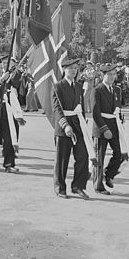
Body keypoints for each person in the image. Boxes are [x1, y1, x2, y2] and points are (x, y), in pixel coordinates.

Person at [52, 58, 91, 200]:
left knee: (82, 156)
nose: (73, 71)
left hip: (78, 124)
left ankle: (78, 186)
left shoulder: (79, 86)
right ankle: (60, 187)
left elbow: (80, 108)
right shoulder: (58, 86)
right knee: (62, 159)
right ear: (64, 70)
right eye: (70, 68)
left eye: (75, 68)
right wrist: (65, 125)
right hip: (64, 127)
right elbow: (56, 109)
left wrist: (84, 124)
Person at [91, 64, 126, 195]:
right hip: (102, 127)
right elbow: (95, 112)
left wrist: (121, 122)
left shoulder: (116, 90)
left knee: (121, 153)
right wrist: (104, 128)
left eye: (113, 74)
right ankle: (98, 185)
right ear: (102, 75)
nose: (112, 77)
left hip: (115, 125)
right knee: (99, 157)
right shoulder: (97, 90)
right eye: (109, 74)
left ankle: (109, 173)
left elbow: (117, 108)